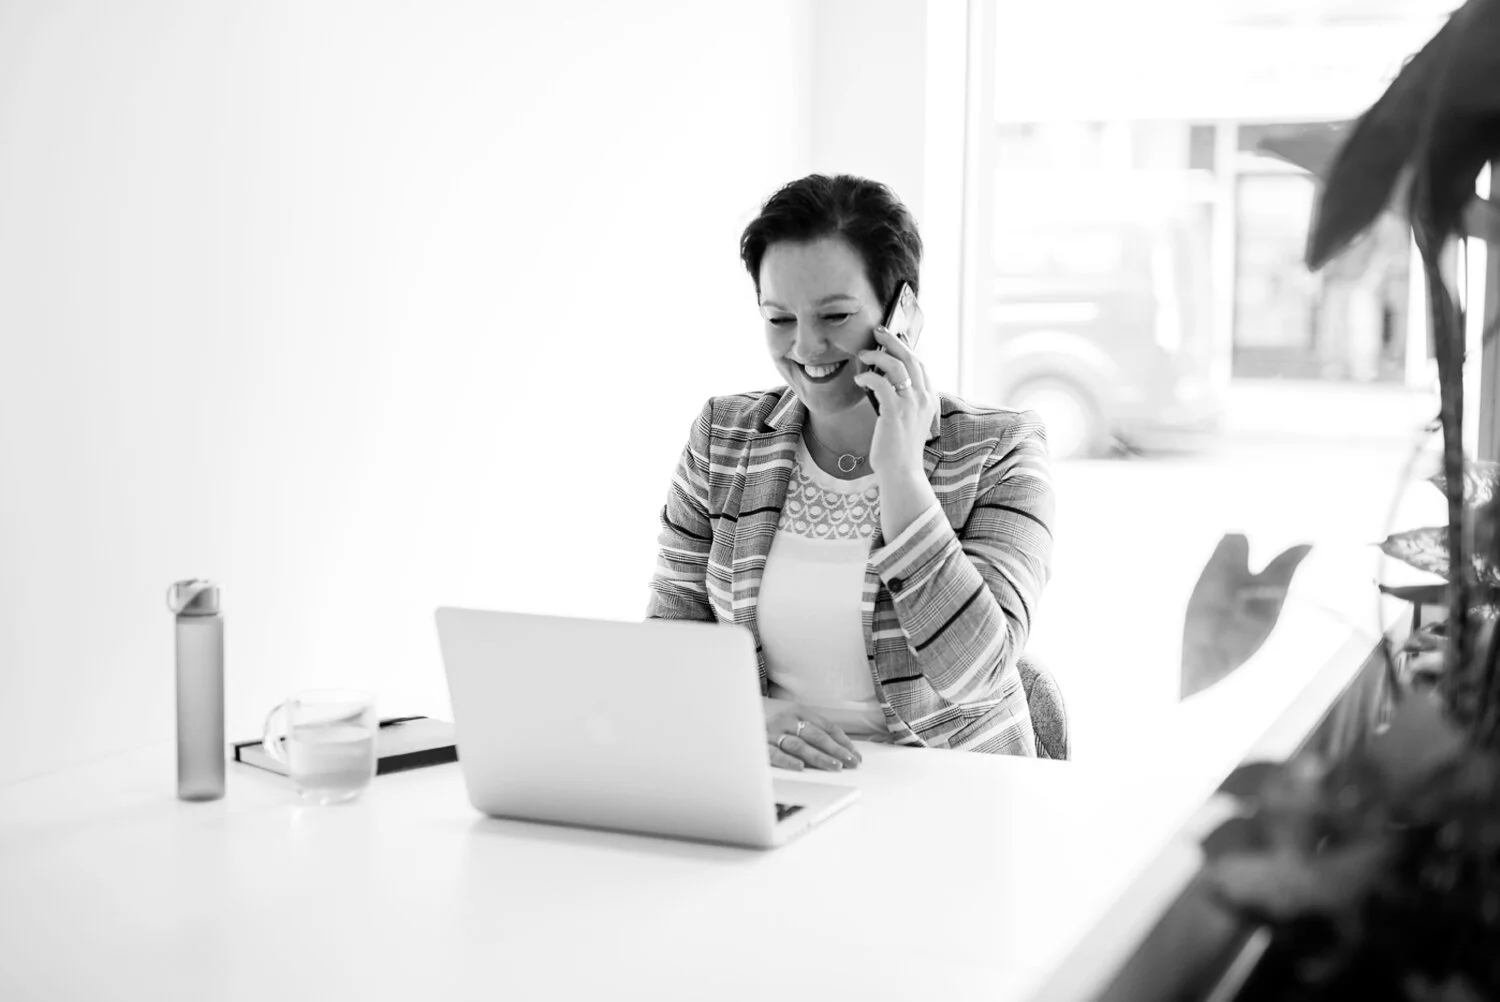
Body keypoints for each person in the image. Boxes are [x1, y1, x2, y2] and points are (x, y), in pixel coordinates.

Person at [646, 174, 1054, 769]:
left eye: (834, 315)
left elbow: (977, 673)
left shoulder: (1000, 448)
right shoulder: (723, 435)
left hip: (949, 796)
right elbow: (669, 637)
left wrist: (901, 475)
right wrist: (748, 717)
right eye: (778, 318)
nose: (807, 347)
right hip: (776, 785)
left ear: (902, 312)